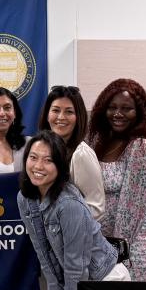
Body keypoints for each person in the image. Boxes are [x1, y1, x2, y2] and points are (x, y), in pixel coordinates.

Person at [17, 130, 130, 290]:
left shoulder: (69, 204)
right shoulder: (24, 198)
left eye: (48, 160)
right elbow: (44, 257)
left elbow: (76, 269)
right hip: (75, 281)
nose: (38, 166)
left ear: (60, 165)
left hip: (104, 279)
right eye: (33, 158)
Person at [88, 78, 146, 281]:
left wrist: (115, 254)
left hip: (132, 246)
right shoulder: (97, 141)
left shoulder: (141, 147)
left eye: (126, 108)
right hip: (105, 245)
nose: (118, 114)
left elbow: (132, 209)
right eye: (112, 107)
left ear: (139, 112)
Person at [37, 85, 105, 220]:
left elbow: (96, 208)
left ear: (78, 116)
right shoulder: (44, 150)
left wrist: (67, 227)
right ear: (47, 115)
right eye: (55, 110)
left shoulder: (81, 154)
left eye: (69, 112)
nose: (61, 117)